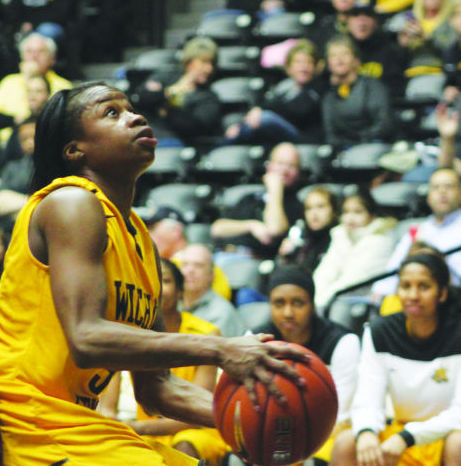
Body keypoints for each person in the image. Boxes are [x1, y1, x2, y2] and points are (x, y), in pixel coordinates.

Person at [0, 82, 309, 465]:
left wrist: (249, 418)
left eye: (130, 108)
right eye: (111, 113)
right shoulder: (71, 202)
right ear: (75, 150)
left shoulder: (142, 244)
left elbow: (157, 386)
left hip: (69, 423)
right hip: (19, 418)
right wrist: (221, 350)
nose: (135, 116)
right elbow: (86, 337)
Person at [330, 253, 461, 466]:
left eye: (424, 287)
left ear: (442, 293)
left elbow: (459, 413)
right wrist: (366, 432)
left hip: (443, 434)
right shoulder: (380, 331)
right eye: (405, 286)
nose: (413, 295)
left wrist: (407, 437)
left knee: (459, 442)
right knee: (347, 442)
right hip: (399, 430)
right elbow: (368, 398)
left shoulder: (458, 333)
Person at [99, 258, 230, 465]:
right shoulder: (126, 332)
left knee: (185, 445)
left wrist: (138, 428)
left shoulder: (207, 335)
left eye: (165, 281)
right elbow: (106, 409)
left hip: (195, 429)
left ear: (180, 292)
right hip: (141, 430)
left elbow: (195, 416)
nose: (157, 288)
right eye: (150, 281)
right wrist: (115, 426)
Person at [253, 264, 360, 464]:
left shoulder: (342, 342)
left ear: (312, 304)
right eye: (279, 303)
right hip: (269, 433)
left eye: (297, 303)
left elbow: (341, 412)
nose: (288, 313)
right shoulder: (255, 340)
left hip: (324, 434)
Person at [371, 167, 461, 301]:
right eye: (436, 187)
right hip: (415, 301)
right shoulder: (417, 231)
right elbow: (392, 272)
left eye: (449, 186)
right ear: (429, 196)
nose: (442, 192)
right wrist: (380, 293)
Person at [211, 142, 304, 263]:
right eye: (280, 163)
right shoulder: (251, 198)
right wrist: (251, 226)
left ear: (298, 173)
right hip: (222, 255)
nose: (285, 170)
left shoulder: (296, 205)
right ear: (269, 167)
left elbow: (274, 229)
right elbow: (217, 229)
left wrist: (275, 190)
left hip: (251, 263)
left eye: (291, 166)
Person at [223, 39, 326, 145]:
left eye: (308, 62)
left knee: (265, 118)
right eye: (298, 62)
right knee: (235, 124)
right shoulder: (285, 86)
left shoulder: (318, 89)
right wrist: (243, 123)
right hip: (278, 135)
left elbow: (295, 111)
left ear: (315, 67)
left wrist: (261, 111)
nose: (303, 67)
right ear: (289, 67)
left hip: (305, 139)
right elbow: (268, 103)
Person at [313, 187, 397, 309]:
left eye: (358, 212)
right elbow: (325, 273)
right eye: (346, 212)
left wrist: (316, 305)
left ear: (372, 215)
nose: (350, 218)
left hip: (355, 304)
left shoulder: (380, 241)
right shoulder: (341, 236)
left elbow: (351, 282)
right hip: (329, 301)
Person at [136, 36, 221, 147]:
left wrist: (166, 110)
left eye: (212, 63)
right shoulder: (165, 76)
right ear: (190, 62)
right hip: (148, 134)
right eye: (204, 62)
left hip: (175, 143)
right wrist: (171, 92)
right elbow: (142, 98)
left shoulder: (209, 97)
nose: (209, 69)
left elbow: (195, 127)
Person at [143, 206, 232, 301]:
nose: (147, 235)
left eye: (153, 229)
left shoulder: (201, 261)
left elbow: (221, 297)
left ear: (176, 231)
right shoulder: (159, 263)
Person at [321, 35, 394, 149]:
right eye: (334, 56)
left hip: (373, 144)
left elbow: (384, 125)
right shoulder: (329, 95)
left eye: (345, 54)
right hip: (343, 149)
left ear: (356, 60)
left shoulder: (372, 86)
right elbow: (331, 133)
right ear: (328, 64)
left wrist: (359, 141)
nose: (339, 60)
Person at [0, 32, 72, 144]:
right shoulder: (8, 82)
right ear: (21, 57)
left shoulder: (63, 86)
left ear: (52, 58)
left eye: (40, 52)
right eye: (29, 52)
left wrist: (32, 78)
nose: (34, 56)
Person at [179, 243, 246, 337]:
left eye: (198, 265)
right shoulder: (170, 304)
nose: (189, 270)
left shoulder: (221, 313)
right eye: (185, 265)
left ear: (212, 275)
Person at [277, 185, 339, 272]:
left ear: (334, 211)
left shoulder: (340, 239)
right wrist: (284, 257)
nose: (314, 213)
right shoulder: (301, 238)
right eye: (309, 208)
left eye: (320, 206)